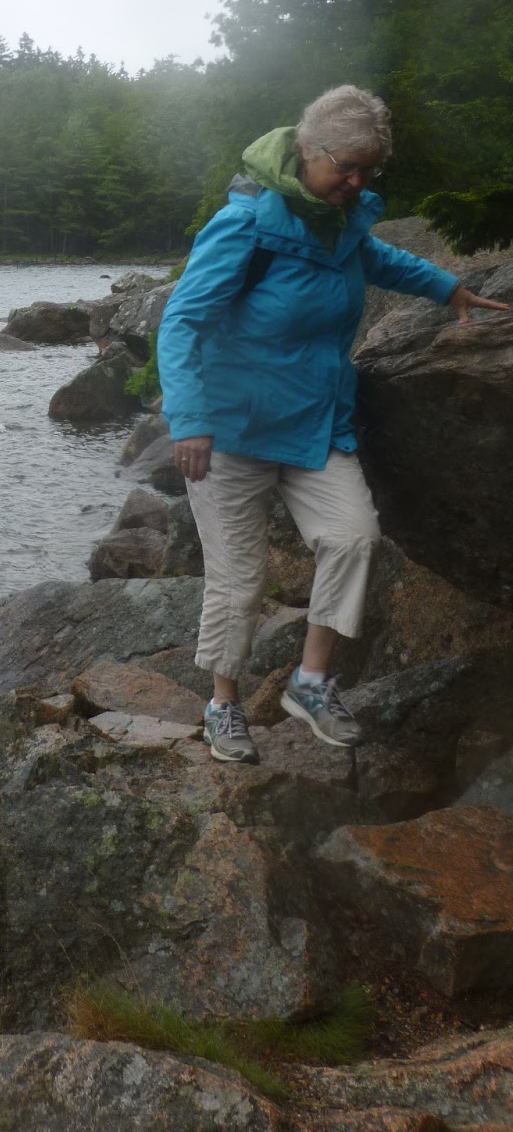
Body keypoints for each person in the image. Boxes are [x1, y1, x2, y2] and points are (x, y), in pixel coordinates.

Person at [157, 86, 509, 765]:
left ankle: (311, 682)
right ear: (306, 149)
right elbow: (181, 322)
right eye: (345, 168)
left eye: (368, 171)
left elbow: (379, 260)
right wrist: (189, 420)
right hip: (231, 433)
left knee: (353, 538)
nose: (356, 184)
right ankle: (223, 705)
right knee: (239, 579)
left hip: (315, 423)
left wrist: (449, 288)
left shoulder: (343, 222)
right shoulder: (245, 225)